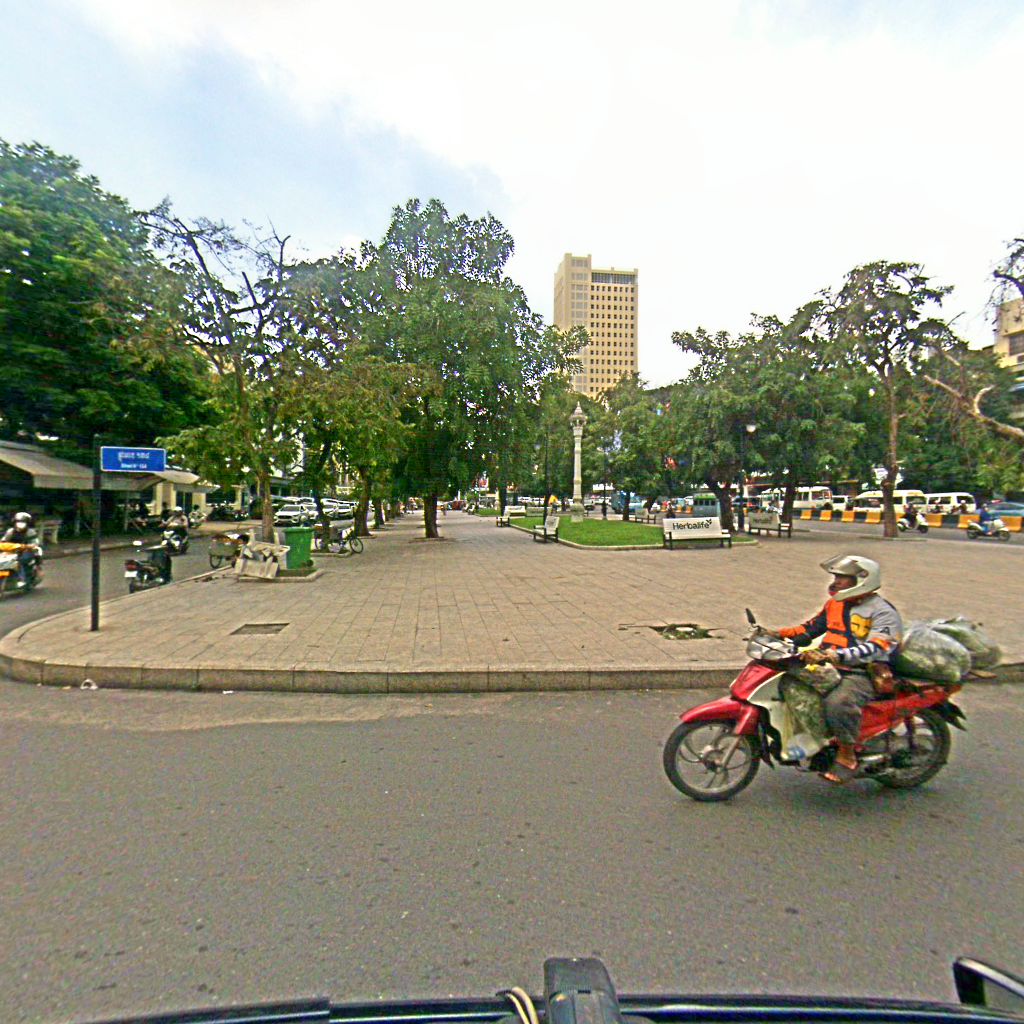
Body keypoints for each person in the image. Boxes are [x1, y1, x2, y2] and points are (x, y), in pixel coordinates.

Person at [768, 555, 902, 784]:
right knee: (788, 685)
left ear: (862, 580)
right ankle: (807, 740)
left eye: (843, 577)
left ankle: (847, 755)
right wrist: (777, 635)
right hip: (829, 664)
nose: (836, 581)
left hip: (863, 671)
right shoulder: (835, 604)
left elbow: (878, 647)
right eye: (836, 576)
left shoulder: (882, 611)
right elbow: (811, 628)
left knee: (838, 702)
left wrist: (837, 655)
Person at [2, 512, 41, 586]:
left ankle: (22, 579)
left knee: (19, 561)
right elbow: (3, 541)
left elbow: (35, 543)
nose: (20, 524)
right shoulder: (10, 531)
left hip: (26, 551)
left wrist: (28, 546)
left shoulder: (30, 532)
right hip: (12, 551)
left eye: (23, 522)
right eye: (18, 522)